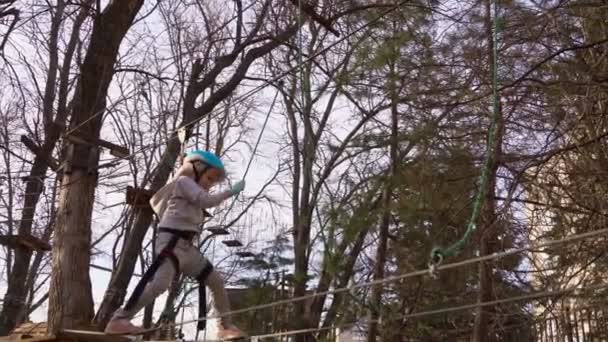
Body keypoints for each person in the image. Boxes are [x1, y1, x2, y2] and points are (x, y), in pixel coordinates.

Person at [104, 150, 246, 340]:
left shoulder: (195, 192)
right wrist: (231, 192)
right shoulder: (184, 183)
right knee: (160, 284)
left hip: (187, 248)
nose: (210, 184)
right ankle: (119, 320)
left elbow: (202, 201)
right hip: (170, 243)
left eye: (213, 181)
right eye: (209, 178)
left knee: (215, 280)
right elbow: (206, 201)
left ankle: (225, 326)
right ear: (196, 170)